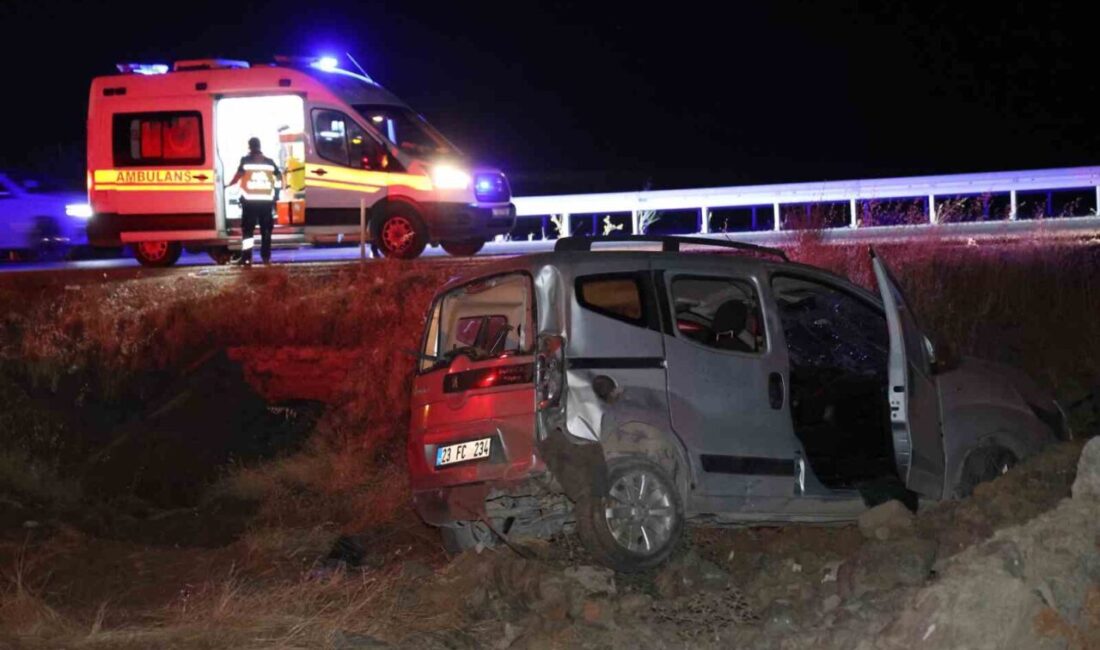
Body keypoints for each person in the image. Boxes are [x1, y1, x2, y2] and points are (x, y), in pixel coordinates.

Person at [225, 137, 282, 265]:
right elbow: (279, 177)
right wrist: (276, 193)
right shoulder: (270, 162)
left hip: (250, 203)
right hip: (266, 203)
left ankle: (246, 258)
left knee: (248, 232)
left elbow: (237, 177)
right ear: (259, 146)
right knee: (266, 231)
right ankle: (266, 258)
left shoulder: (245, 161)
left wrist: (227, 185)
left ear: (249, 147)